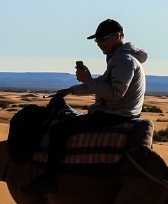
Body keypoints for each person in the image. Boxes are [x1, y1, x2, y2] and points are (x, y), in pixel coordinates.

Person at [41, 18, 146, 165]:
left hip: (114, 116)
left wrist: (88, 81)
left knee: (59, 130)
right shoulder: (118, 59)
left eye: (102, 39)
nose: (99, 44)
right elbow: (100, 84)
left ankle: (49, 177)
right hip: (118, 113)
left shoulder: (123, 60)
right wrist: (70, 90)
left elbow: (115, 93)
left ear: (117, 36)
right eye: (97, 41)